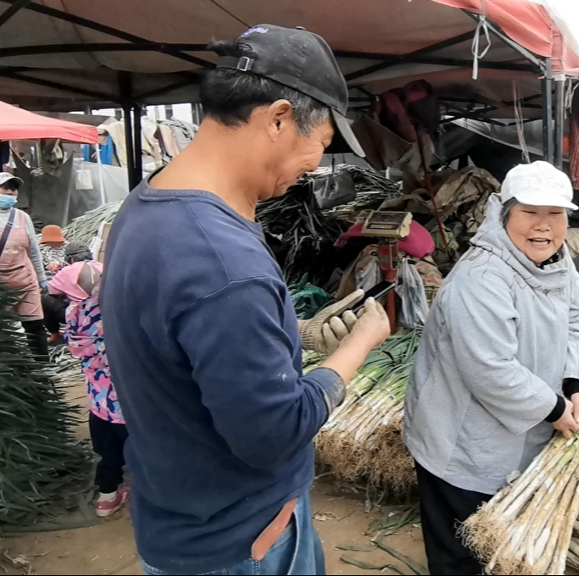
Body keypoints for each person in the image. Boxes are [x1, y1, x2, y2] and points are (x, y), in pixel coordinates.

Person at [100, 25, 390, 576]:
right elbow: (273, 434)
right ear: (279, 118)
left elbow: (188, 341)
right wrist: (358, 346)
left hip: (180, 516)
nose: (315, 165)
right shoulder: (222, 261)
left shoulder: (145, 207)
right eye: (322, 145)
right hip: (242, 543)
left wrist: (289, 332)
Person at [403, 161, 579, 575]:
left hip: (521, 425)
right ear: (504, 213)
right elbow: (489, 368)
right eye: (530, 212)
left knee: (496, 546)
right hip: (460, 435)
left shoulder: (560, 264)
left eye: (555, 214)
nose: (543, 226)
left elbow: (578, 318)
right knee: (460, 553)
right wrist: (556, 409)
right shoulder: (483, 275)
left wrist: (578, 383)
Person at [53, 252, 127, 517]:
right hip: (128, 405)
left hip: (98, 404)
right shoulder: (116, 310)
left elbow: (73, 344)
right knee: (141, 453)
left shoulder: (75, 314)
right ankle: (151, 495)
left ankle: (107, 498)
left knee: (107, 455)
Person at [0, 172, 49, 360]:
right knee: (4, 330)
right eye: (5, 188)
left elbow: (34, 251)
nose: (10, 192)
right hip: (2, 286)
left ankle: (43, 366)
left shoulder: (22, 217)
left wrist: (42, 278)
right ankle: (11, 366)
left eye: (13, 189)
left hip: (25, 280)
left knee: (35, 325)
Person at [45, 242, 103, 342]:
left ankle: (55, 333)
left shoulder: (68, 270)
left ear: (71, 259)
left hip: (83, 316)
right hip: (105, 313)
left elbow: (51, 290)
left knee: (44, 299)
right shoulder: (102, 266)